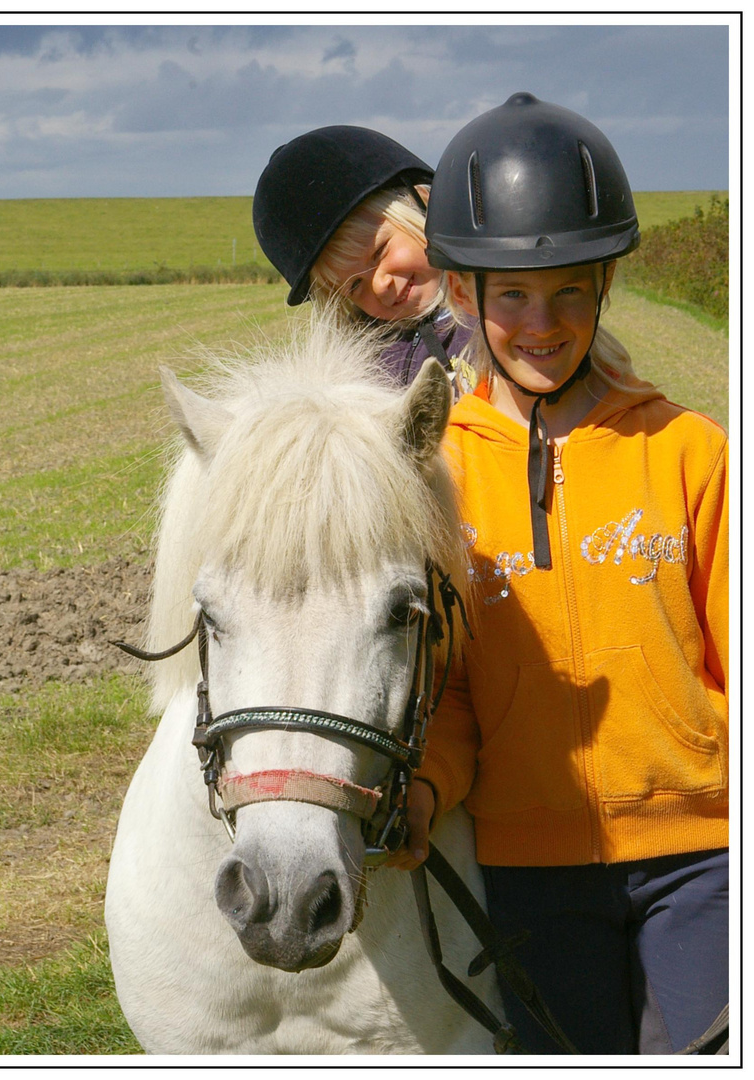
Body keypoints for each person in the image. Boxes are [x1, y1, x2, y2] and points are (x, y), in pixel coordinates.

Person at [399, 93, 729, 1056]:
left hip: (700, 858)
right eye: (511, 296)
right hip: (526, 869)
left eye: (569, 292)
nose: (540, 323)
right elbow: (451, 690)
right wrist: (426, 788)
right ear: (463, 296)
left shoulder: (688, 452)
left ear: (606, 287)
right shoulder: (439, 475)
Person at [252, 125, 475, 389]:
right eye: (355, 286)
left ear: (422, 202)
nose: (380, 286)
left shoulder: (495, 314)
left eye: (379, 252)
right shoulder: (363, 370)